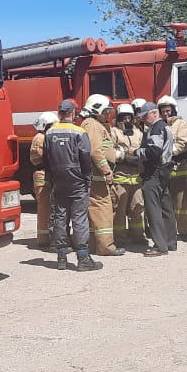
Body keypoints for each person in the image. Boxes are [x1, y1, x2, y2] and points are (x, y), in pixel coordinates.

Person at [42, 99, 102, 271]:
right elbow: (85, 156)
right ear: (73, 113)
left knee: (60, 217)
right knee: (79, 218)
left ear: (59, 113)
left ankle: (61, 257)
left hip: (59, 180)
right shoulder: (79, 132)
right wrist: (87, 176)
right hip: (77, 180)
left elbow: (46, 158)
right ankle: (83, 258)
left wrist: (52, 176)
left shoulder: (49, 132)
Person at [80, 94, 125, 256]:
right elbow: (95, 151)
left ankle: (95, 245)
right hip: (97, 177)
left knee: (95, 210)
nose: (108, 115)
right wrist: (106, 170)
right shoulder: (93, 125)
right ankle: (106, 247)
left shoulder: (94, 124)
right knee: (103, 210)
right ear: (96, 109)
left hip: (96, 176)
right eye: (106, 111)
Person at [136, 102, 178, 256]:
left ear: (154, 113)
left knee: (153, 209)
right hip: (164, 171)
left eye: (144, 116)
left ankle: (160, 245)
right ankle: (170, 242)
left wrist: (136, 152)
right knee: (166, 208)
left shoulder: (156, 128)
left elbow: (153, 151)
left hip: (154, 172)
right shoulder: (164, 127)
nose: (142, 119)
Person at [109, 103, 146, 248]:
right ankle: (119, 238)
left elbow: (144, 149)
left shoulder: (138, 133)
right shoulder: (113, 132)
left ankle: (137, 236)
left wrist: (139, 157)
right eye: (123, 117)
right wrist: (123, 156)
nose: (127, 120)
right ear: (118, 118)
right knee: (119, 211)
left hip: (136, 178)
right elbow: (110, 151)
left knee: (137, 208)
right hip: (120, 177)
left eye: (129, 117)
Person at [157, 95, 187, 238]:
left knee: (181, 201)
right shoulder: (159, 124)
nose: (166, 113)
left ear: (173, 110)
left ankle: (183, 231)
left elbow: (184, 143)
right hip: (162, 168)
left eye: (168, 110)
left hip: (178, 167)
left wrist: (168, 153)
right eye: (163, 111)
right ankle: (167, 231)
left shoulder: (181, 124)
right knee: (165, 201)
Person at [28, 111, 57, 249]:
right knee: (44, 207)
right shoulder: (39, 138)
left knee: (49, 207)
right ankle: (43, 239)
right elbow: (41, 156)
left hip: (47, 174)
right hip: (42, 175)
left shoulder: (45, 136)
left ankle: (48, 236)